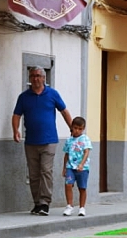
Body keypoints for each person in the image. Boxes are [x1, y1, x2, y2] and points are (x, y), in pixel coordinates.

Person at [12, 66, 72, 216]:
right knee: (33, 174)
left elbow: (64, 111)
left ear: (44, 78)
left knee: (46, 171)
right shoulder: (24, 97)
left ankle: (45, 203)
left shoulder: (52, 94)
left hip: (49, 140)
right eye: (32, 76)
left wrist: (72, 129)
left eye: (38, 75)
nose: (35, 78)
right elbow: (16, 115)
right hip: (31, 141)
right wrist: (15, 130)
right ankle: (37, 203)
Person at [61, 117, 91, 216]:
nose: (77, 131)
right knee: (68, 184)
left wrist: (82, 164)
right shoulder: (69, 140)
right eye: (75, 128)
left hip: (83, 168)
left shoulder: (85, 139)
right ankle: (69, 205)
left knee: (82, 187)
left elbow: (86, 152)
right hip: (70, 167)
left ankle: (82, 207)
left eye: (80, 129)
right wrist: (64, 168)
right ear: (72, 128)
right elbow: (66, 154)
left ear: (83, 129)